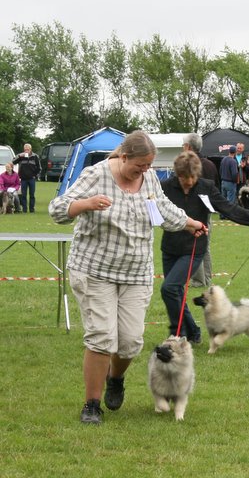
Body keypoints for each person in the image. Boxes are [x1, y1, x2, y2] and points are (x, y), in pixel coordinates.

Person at [48, 130, 207, 425]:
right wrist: (87, 203)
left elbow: (162, 209)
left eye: (149, 166)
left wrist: (189, 223)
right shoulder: (95, 174)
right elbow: (57, 209)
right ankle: (92, 405)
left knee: (131, 341)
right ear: (123, 156)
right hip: (95, 270)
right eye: (140, 166)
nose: (145, 171)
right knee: (101, 338)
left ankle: (116, 378)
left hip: (135, 273)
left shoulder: (148, 179)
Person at [160, 150, 249, 344]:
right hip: (170, 247)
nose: (188, 182)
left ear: (197, 174)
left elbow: (229, 209)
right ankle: (193, 332)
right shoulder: (165, 187)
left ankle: (177, 333)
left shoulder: (205, 187)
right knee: (176, 292)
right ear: (177, 174)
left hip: (193, 247)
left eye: (191, 177)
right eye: (183, 177)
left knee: (169, 288)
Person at [182, 132, 220, 288]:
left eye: (183, 146)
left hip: (194, 210)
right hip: (207, 210)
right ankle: (206, 279)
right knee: (205, 246)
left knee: (194, 245)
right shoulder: (210, 164)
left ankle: (198, 280)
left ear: (189, 147)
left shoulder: (189, 163)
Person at [13, 143, 41, 213]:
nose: (26, 151)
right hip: (23, 179)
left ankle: (32, 209)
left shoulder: (35, 156)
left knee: (32, 195)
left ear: (30, 149)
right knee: (23, 195)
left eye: (27, 149)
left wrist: (35, 175)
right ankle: (24, 209)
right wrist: (19, 156)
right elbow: (13, 162)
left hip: (32, 178)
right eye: (25, 149)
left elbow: (39, 168)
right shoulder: (21, 156)